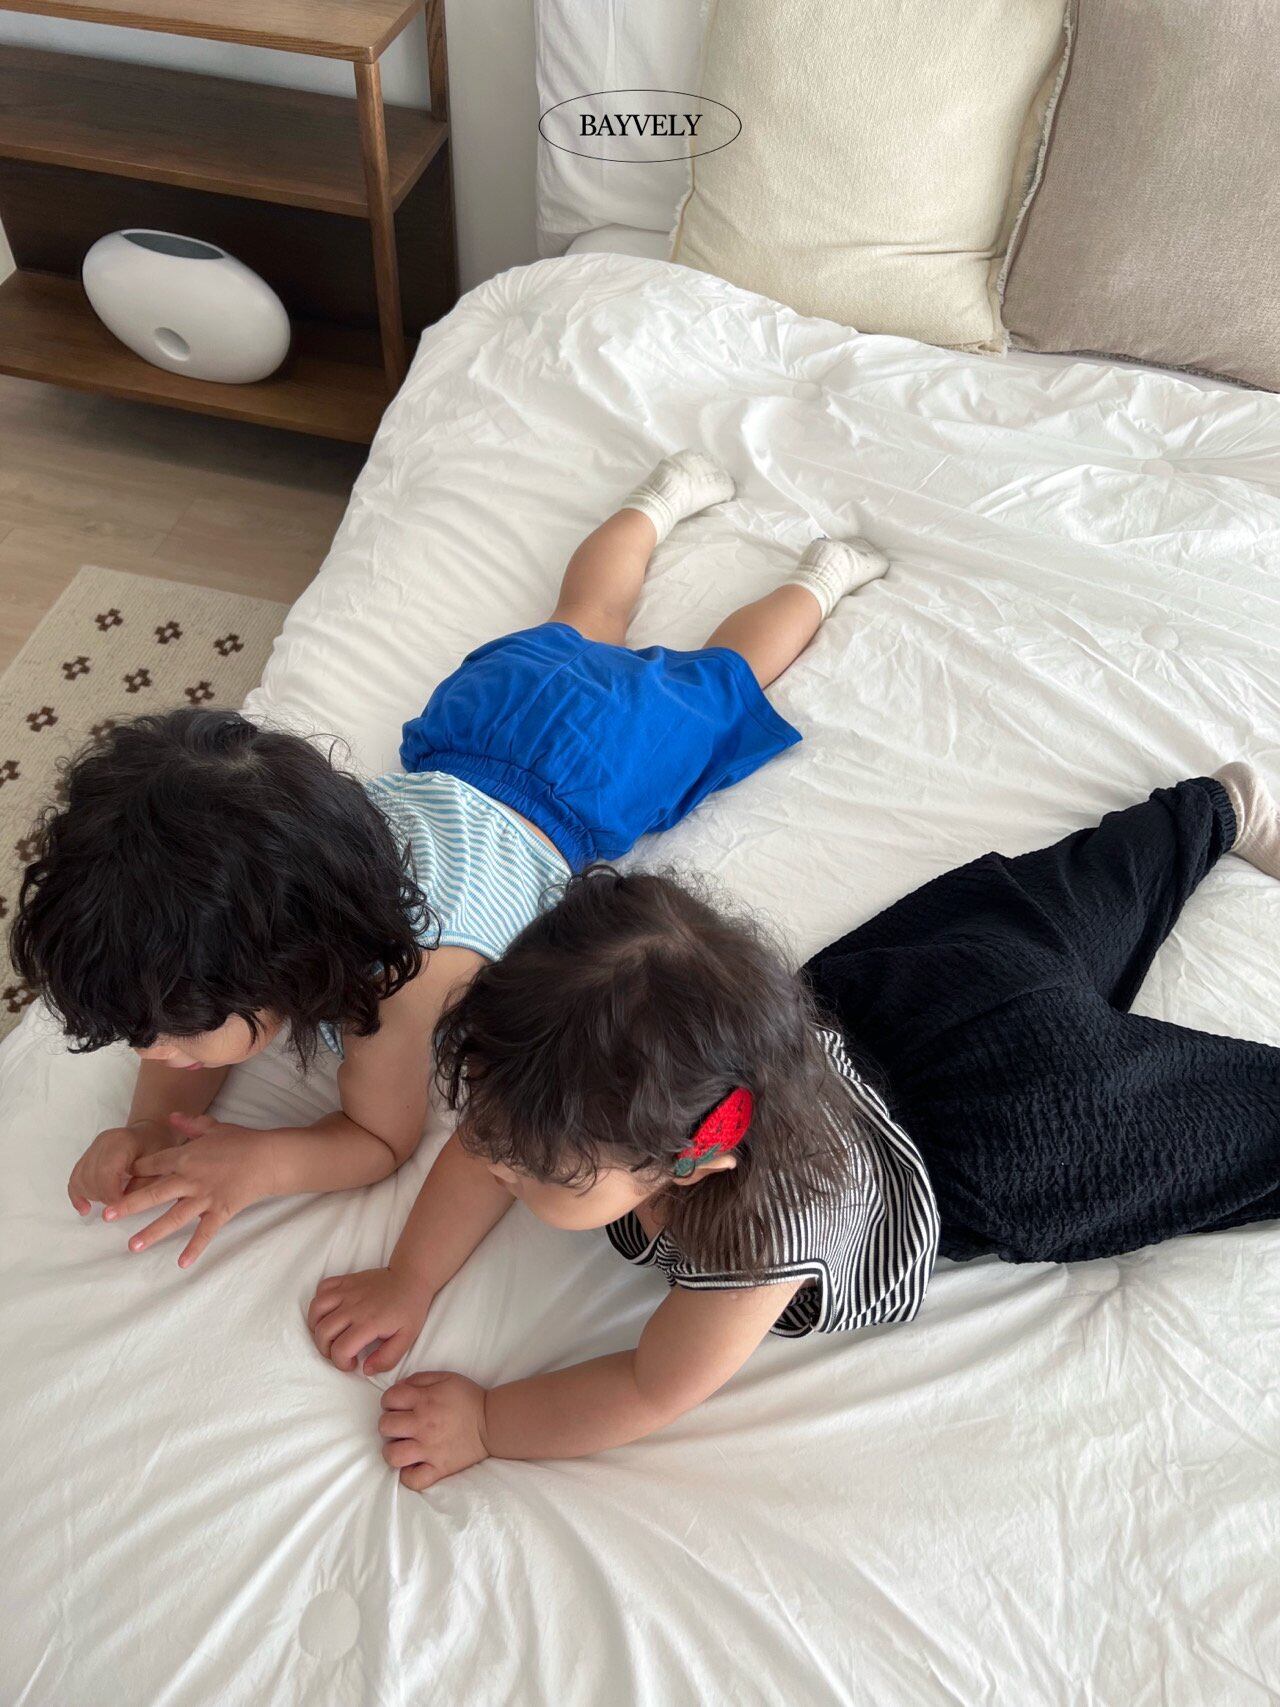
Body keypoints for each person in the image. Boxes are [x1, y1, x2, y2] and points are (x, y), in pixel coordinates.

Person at [12, 451, 889, 1269]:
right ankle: (658, 503)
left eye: (174, 1030)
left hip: (586, 781)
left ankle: (820, 577)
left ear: (288, 964)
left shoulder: (406, 987)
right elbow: (187, 1012)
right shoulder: (283, 868)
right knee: (586, 617)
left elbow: (378, 1140)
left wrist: (257, 1163)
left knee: (721, 675)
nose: (155, 1051)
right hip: (477, 726)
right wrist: (150, 1131)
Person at [309, 768, 1279, 1489]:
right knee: (1060, 905)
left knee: (1223, 1127)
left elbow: (649, 1386)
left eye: (532, 1169)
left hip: (1004, 1135)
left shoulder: (759, 1239)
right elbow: (488, 1147)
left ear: (691, 1162)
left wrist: (488, 1421)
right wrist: (410, 1277)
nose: (486, 1155)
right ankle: (1217, 811)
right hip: (921, 990)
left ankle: (1218, 818)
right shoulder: (608, 1078)